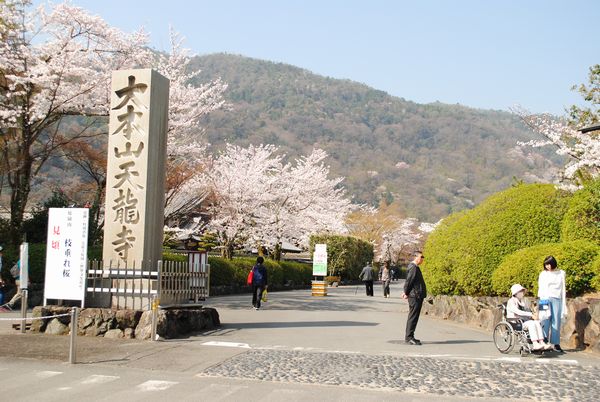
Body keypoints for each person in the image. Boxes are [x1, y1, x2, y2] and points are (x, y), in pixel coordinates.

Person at [507, 284, 552, 351]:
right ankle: (535, 343)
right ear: (515, 293)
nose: (522, 293)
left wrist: (534, 311)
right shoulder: (511, 301)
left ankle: (541, 342)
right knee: (531, 324)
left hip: (524, 321)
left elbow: (528, 309)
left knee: (536, 322)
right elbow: (518, 312)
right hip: (516, 322)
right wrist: (530, 314)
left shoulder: (524, 300)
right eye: (520, 291)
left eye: (522, 291)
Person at [538, 255, 567, 352]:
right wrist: (541, 300)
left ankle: (555, 343)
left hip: (556, 298)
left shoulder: (561, 273)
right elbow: (540, 287)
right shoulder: (543, 274)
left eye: (549, 264)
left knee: (556, 321)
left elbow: (563, 288)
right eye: (546, 265)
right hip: (544, 299)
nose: (548, 266)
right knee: (544, 319)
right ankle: (544, 341)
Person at [402, 251, 426, 345]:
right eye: (421, 257)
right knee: (413, 316)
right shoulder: (413, 267)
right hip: (414, 295)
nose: (422, 259)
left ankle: (411, 336)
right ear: (416, 257)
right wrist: (406, 292)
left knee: (414, 317)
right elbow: (409, 281)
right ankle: (409, 337)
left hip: (416, 295)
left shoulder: (415, 267)